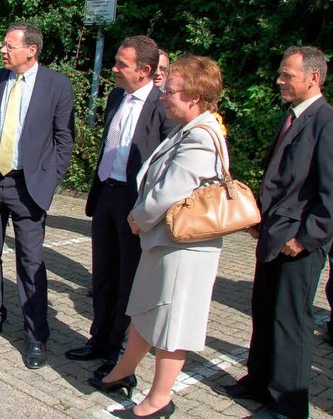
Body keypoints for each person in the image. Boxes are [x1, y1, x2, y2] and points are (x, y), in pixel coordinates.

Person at [88, 55, 228, 419]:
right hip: (165, 243)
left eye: (171, 91)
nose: (164, 95)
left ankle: (158, 400)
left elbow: (169, 191)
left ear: (195, 96)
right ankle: (122, 371)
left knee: (173, 323)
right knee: (146, 309)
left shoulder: (201, 136)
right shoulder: (189, 127)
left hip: (184, 248)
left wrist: (137, 216)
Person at [213, 46, 333, 419]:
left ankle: (288, 406)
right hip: (273, 235)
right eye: (281, 73)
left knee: (291, 321)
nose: (279, 81)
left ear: (313, 78)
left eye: (287, 75)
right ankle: (258, 380)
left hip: (298, 242)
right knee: (264, 310)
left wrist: (306, 238)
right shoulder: (293, 117)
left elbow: (330, 192)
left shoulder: (326, 121)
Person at [0, 22, 75, 369]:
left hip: (29, 186)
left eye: (9, 45)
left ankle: (35, 335)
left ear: (31, 50)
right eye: (3, 44)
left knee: (30, 261)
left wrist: (49, 179)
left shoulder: (57, 85)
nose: (2, 50)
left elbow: (64, 139)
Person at [65, 36, 174, 379]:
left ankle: (119, 352)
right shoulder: (116, 96)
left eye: (121, 65)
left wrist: (148, 210)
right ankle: (99, 339)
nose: (113, 69)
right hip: (106, 196)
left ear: (144, 70)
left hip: (135, 204)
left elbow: (167, 162)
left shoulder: (162, 105)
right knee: (104, 275)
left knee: (129, 280)